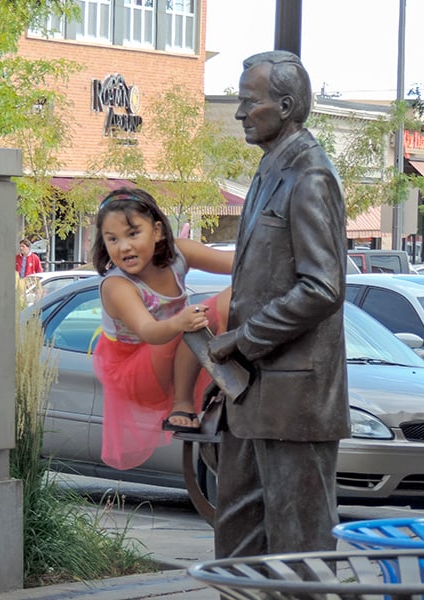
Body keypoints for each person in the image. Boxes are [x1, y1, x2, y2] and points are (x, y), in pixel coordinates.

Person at [207, 50, 350, 557]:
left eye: (250, 101)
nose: (241, 112)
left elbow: (323, 287)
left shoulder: (310, 176)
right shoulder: (272, 171)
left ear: (286, 106)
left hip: (295, 402)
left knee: (302, 551)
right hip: (252, 398)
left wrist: (244, 339)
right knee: (239, 540)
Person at [91, 187, 233, 470]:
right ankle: (182, 403)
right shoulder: (117, 285)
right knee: (196, 319)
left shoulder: (181, 253)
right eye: (113, 239)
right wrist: (180, 320)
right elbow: (148, 331)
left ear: (157, 231)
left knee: (239, 293)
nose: (124, 247)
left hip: (175, 352)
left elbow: (243, 265)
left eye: (133, 234)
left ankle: (234, 356)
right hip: (135, 368)